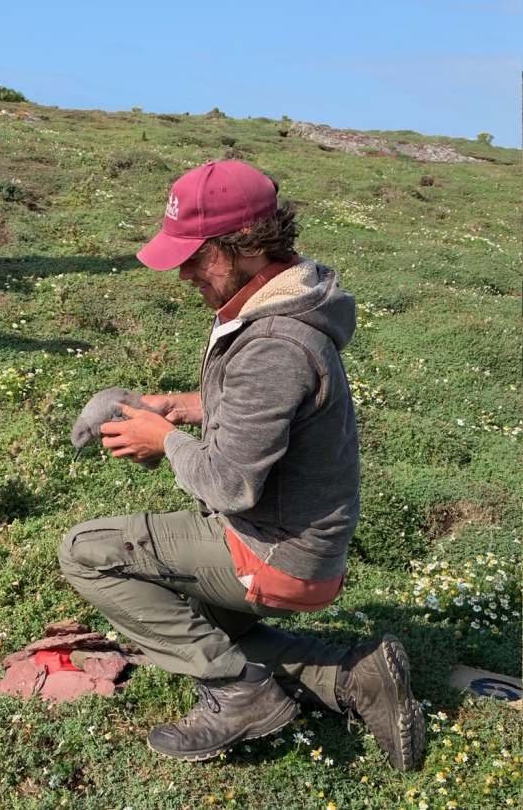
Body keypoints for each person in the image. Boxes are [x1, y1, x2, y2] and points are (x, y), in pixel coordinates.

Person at [58, 160, 425, 768]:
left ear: (241, 248)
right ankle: (353, 678)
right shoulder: (282, 307)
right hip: (296, 545)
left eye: (194, 257)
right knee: (195, 622)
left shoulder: (276, 343)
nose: (184, 274)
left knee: (85, 552)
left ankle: (238, 693)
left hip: (274, 554)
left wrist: (161, 440)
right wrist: (176, 407)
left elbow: (229, 482)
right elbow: (265, 412)